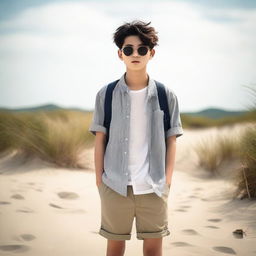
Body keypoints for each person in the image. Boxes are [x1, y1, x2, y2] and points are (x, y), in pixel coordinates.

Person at [89, 20, 183, 256]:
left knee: (153, 249)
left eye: (142, 49)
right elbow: (100, 139)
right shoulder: (106, 94)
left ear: (151, 53)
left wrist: (167, 181)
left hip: (154, 188)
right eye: (128, 49)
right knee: (114, 248)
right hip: (114, 186)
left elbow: (172, 140)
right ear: (120, 54)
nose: (135, 54)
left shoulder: (166, 95)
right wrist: (100, 181)